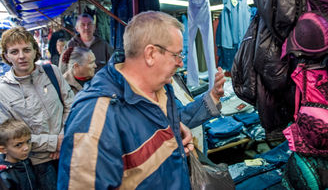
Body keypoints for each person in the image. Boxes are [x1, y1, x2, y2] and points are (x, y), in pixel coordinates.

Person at [58, 11, 225, 189]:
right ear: (151, 54)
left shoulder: (161, 88)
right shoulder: (94, 116)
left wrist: (175, 134)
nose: (180, 63)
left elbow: (168, 122)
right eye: (176, 55)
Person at [0, 27, 74, 190]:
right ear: (6, 56)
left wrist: (63, 137)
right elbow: (8, 137)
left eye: (26, 49)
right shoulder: (2, 91)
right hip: (37, 165)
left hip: (69, 151)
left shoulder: (52, 72)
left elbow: (70, 105)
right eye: (14, 52)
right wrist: (54, 143)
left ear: (35, 51)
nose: (21, 56)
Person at [0, 119, 37, 190]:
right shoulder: (4, 175)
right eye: (18, 145)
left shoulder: (27, 161)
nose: (26, 148)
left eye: (28, 141)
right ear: (3, 149)